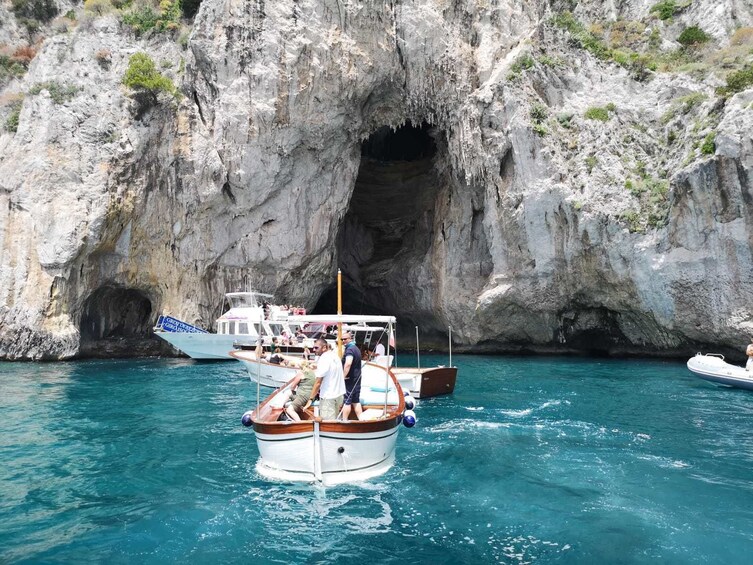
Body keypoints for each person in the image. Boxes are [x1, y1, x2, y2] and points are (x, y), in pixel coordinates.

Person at [308, 338, 345, 420]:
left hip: (328, 397)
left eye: (316, 348)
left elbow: (318, 382)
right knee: (336, 421)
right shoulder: (335, 356)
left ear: (324, 347)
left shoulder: (324, 358)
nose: (314, 350)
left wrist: (310, 399)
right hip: (339, 395)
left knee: (328, 424)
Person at [341, 331, 363, 420]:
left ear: (350, 339)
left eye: (345, 339)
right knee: (356, 400)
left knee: (347, 401)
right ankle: (362, 420)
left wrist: (342, 377)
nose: (343, 341)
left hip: (350, 379)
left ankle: (344, 420)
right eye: (341, 339)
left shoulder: (350, 350)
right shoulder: (356, 348)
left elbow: (348, 364)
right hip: (357, 378)